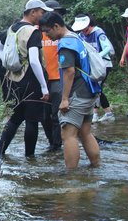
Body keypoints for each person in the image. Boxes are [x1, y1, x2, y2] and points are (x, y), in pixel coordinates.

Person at [38, 12, 101, 169]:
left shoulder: (65, 43)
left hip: (77, 94)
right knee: (85, 132)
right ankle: (96, 166)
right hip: (89, 92)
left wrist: (65, 99)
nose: (46, 35)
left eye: (47, 31)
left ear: (57, 26)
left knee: (68, 135)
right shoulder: (75, 37)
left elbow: (69, 72)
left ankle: (71, 176)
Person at [0, 0, 51, 158]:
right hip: (31, 81)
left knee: (15, 118)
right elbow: (34, 60)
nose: (42, 15)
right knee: (32, 120)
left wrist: (11, 64)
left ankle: (0, 152)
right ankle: (30, 157)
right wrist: (44, 86)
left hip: (13, 80)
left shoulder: (12, 28)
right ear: (33, 12)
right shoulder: (33, 32)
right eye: (41, 12)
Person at [72, 14, 116, 123]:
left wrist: (96, 57)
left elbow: (107, 48)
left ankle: (105, 113)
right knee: (96, 89)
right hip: (92, 67)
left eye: (85, 30)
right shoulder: (81, 35)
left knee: (97, 89)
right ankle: (100, 114)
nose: (83, 32)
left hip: (103, 65)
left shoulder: (98, 32)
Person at [41, 0, 67, 151]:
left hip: (58, 77)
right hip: (43, 79)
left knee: (56, 114)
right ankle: (52, 141)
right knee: (44, 116)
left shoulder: (63, 32)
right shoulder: (38, 32)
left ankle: (56, 145)